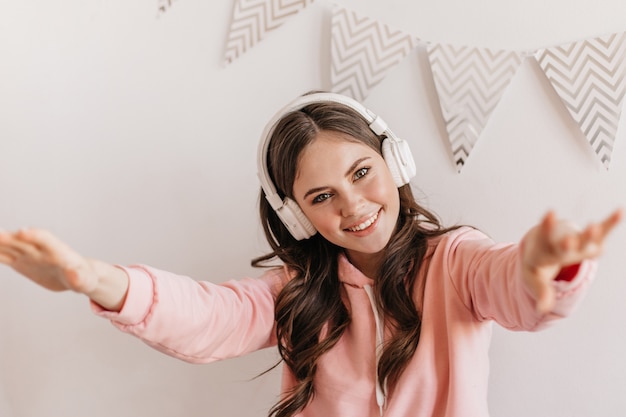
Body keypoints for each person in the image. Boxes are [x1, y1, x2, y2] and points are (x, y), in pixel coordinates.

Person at [0, 92, 622, 417]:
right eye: (323, 196)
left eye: (362, 172)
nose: (353, 207)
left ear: (395, 162)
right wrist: (94, 279)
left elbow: (513, 286)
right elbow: (207, 316)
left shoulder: (457, 263)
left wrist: (546, 267)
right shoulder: (297, 292)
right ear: (298, 217)